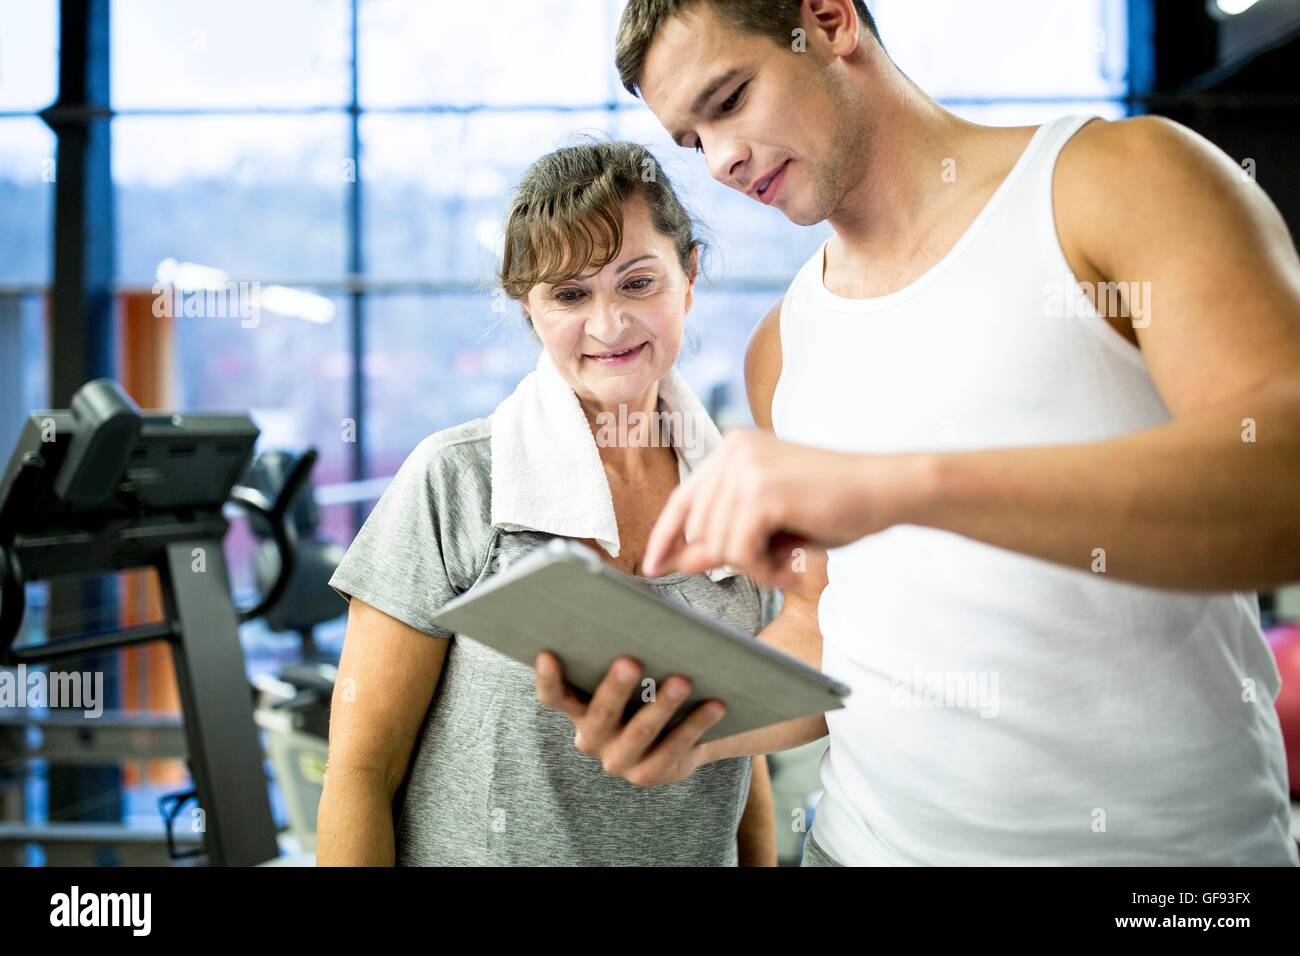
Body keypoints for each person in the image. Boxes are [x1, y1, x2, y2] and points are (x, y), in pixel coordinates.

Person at [535, 0, 1300, 866]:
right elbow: (831, 623)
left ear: (827, 22)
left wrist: (899, 487)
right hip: (857, 848)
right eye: (690, 140)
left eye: (731, 98)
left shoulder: (1117, 180)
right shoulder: (783, 348)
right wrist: (696, 718)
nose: (721, 160)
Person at [316, 140, 777, 866]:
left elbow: (743, 764)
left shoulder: (741, 499)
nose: (609, 325)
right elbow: (361, 773)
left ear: (688, 278)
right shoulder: (458, 483)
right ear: (529, 308)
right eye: (569, 295)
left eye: (637, 283)